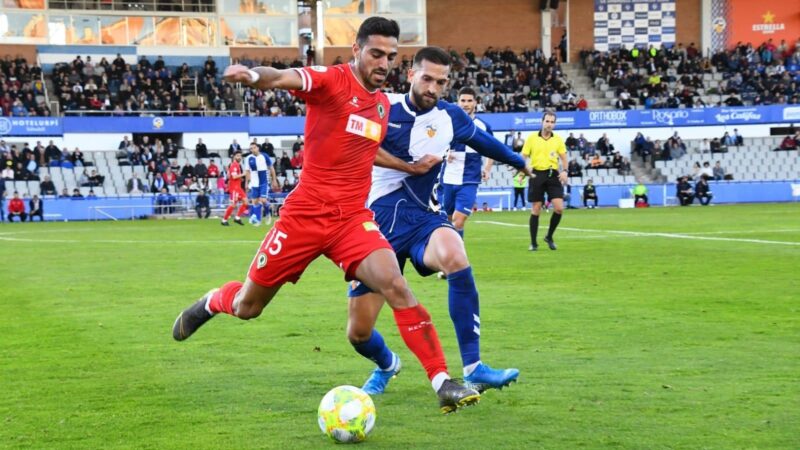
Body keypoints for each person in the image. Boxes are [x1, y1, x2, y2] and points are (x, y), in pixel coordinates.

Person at [171, 17, 480, 413]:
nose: (383, 63)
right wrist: (252, 74)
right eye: (375, 54)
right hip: (303, 218)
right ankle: (214, 301)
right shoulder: (332, 81)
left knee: (396, 284)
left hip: (351, 220)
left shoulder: (382, 105)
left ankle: (442, 380)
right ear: (356, 50)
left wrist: (409, 168)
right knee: (248, 307)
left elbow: (367, 148)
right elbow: (284, 77)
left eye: (390, 56)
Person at [346, 47, 528, 398]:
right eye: (427, 78)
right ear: (411, 74)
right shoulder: (385, 109)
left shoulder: (452, 117)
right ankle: (387, 364)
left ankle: (474, 367)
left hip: (421, 218)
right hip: (374, 226)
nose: (432, 87)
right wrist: (409, 167)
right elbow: (359, 146)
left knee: (455, 253)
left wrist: (518, 160)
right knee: (359, 332)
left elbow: (484, 142)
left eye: (440, 82)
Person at [438, 87, 495, 237]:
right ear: (458, 102)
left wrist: (488, 168)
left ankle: (458, 259)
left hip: (469, 180)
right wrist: (444, 153)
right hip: (448, 179)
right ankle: (451, 256)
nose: (466, 104)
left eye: (470, 101)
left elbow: (492, 149)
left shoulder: (483, 127)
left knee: (458, 221)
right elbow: (434, 145)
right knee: (448, 222)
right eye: (463, 100)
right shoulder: (447, 123)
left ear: (475, 103)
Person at [522, 110, 569, 251]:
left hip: (552, 174)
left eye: (552, 122)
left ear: (554, 124)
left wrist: (565, 171)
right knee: (536, 209)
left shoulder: (558, 139)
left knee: (559, 208)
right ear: (542, 122)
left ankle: (549, 236)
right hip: (536, 174)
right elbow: (523, 156)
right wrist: (521, 170)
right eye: (547, 121)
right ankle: (533, 243)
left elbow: (564, 158)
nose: (549, 124)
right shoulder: (531, 138)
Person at [244, 142, 279, 227]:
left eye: (254, 147)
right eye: (251, 148)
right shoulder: (248, 158)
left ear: (258, 148)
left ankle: (267, 214)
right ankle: (258, 220)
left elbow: (271, 168)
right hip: (254, 183)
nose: (252, 149)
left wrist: (274, 180)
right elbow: (248, 171)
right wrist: (247, 183)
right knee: (255, 202)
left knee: (262, 200)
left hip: (264, 182)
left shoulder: (264, 156)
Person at [220, 150, 248, 226]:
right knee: (233, 205)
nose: (240, 157)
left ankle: (237, 218)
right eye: (238, 156)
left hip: (238, 187)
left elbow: (231, 176)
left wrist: (240, 178)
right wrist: (244, 174)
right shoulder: (234, 165)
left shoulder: (237, 165)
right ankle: (224, 220)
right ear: (234, 157)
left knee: (245, 202)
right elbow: (234, 176)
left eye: (240, 156)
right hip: (234, 188)